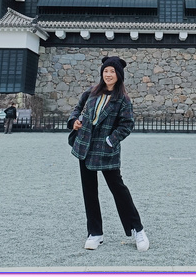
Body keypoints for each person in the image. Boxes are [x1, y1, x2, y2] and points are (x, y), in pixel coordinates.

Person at [68, 56, 149, 252]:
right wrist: (74, 121)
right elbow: (77, 109)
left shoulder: (123, 100)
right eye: (106, 71)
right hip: (85, 146)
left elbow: (127, 125)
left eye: (112, 71)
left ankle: (138, 230)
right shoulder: (91, 93)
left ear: (118, 75)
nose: (108, 74)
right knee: (89, 191)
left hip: (106, 149)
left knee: (119, 190)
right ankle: (95, 233)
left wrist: (110, 140)